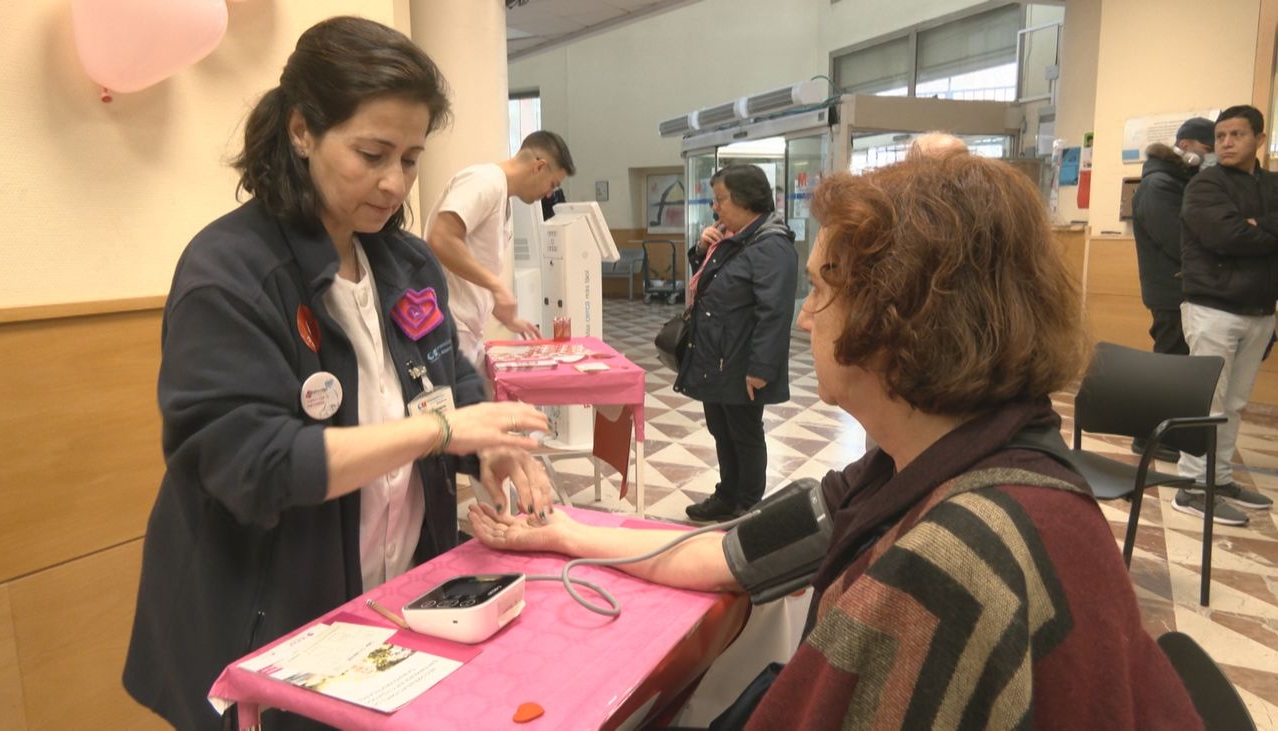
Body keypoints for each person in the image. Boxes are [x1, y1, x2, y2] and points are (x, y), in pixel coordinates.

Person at [468, 153, 1202, 729]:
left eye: (822, 291)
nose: (806, 318)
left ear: (898, 318)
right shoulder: (915, 468)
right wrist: (563, 533)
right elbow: (729, 554)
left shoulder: (952, 557)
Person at [122, 18, 554, 730]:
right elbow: (253, 464)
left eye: (410, 159)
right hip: (265, 622)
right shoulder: (230, 273)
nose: (394, 183)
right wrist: (442, 431)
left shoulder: (405, 262)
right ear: (302, 131)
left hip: (391, 602)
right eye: (372, 154)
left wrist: (487, 447)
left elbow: (444, 377)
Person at [1175, 105, 1278, 525]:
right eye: (1221, 137)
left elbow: (1246, 234)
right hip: (1212, 307)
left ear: (1260, 139)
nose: (1227, 143)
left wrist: (1257, 225)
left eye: (1237, 135)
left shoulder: (1272, 184)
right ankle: (1192, 486)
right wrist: (1257, 229)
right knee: (1207, 402)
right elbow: (1226, 235)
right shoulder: (1204, 184)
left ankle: (1218, 479)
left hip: (1260, 310)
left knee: (1234, 403)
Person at [680, 164, 797, 522]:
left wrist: (761, 368)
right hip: (716, 355)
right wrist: (702, 250)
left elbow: (774, 313)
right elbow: (714, 284)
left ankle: (747, 506)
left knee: (744, 434)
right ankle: (726, 495)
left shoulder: (771, 245)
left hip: (742, 360)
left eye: (721, 199)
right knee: (721, 429)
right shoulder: (733, 237)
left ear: (746, 200)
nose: (715, 208)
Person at [424, 131, 576, 372]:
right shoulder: (485, 181)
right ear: (539, 167)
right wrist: (496, 286)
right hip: (448, 323)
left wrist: (503, 313)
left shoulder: (503, 197)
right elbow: (441, 238)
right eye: (552, 185)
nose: (549, 195)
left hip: (466, 328)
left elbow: (473, 265)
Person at [1130, 117, 1215, 462]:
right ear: (1185, 146)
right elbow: (1177, 241)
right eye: (1208, 148)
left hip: (1177, 286)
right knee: (1169, 363)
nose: (1212, 155)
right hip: (1170, 288)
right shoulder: (1159, 184)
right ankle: (1147, 436)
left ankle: (1163, 435)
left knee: (1174, 363)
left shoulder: (1175, 180)